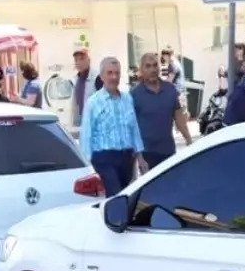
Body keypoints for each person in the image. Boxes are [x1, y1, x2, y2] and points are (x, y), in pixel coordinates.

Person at [79, 56, 146, 196]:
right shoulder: (93, 102)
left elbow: (134, 129)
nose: (114, 77)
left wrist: (140, 157)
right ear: (102, 76)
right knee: (115, 197)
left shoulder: (127, 99)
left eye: (117, 73)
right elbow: (86, 135)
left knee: (126, 196)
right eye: (110, 73)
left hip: (126, 158)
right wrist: (88, 167)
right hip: (104, 159)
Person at [132, 51, 192, 170]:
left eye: (155, 65)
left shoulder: (170, 90)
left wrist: (189, 140)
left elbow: (179, 119)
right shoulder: (135, 95)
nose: (153, 69)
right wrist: (139, 158)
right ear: (141, 70)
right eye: (148, 66)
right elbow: (132, 128)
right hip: (147, 154)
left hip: (168, 151)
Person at [70, 47, 103, 136]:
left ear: (89, 60)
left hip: (95, 126)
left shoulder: (98, 77)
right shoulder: (76, 79)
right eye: (76, 59)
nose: (78, 62)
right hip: (79, 125)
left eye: (82, 59)